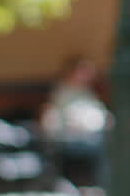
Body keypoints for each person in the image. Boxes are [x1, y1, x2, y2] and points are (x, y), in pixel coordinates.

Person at [41, 55, 110, 188]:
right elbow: (56, 121)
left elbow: (99, 113)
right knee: (103, 146)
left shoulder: (87, 92)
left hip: (93, 134)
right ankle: (103, 183)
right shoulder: (62, 93)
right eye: (83, 72)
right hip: (71, 140)